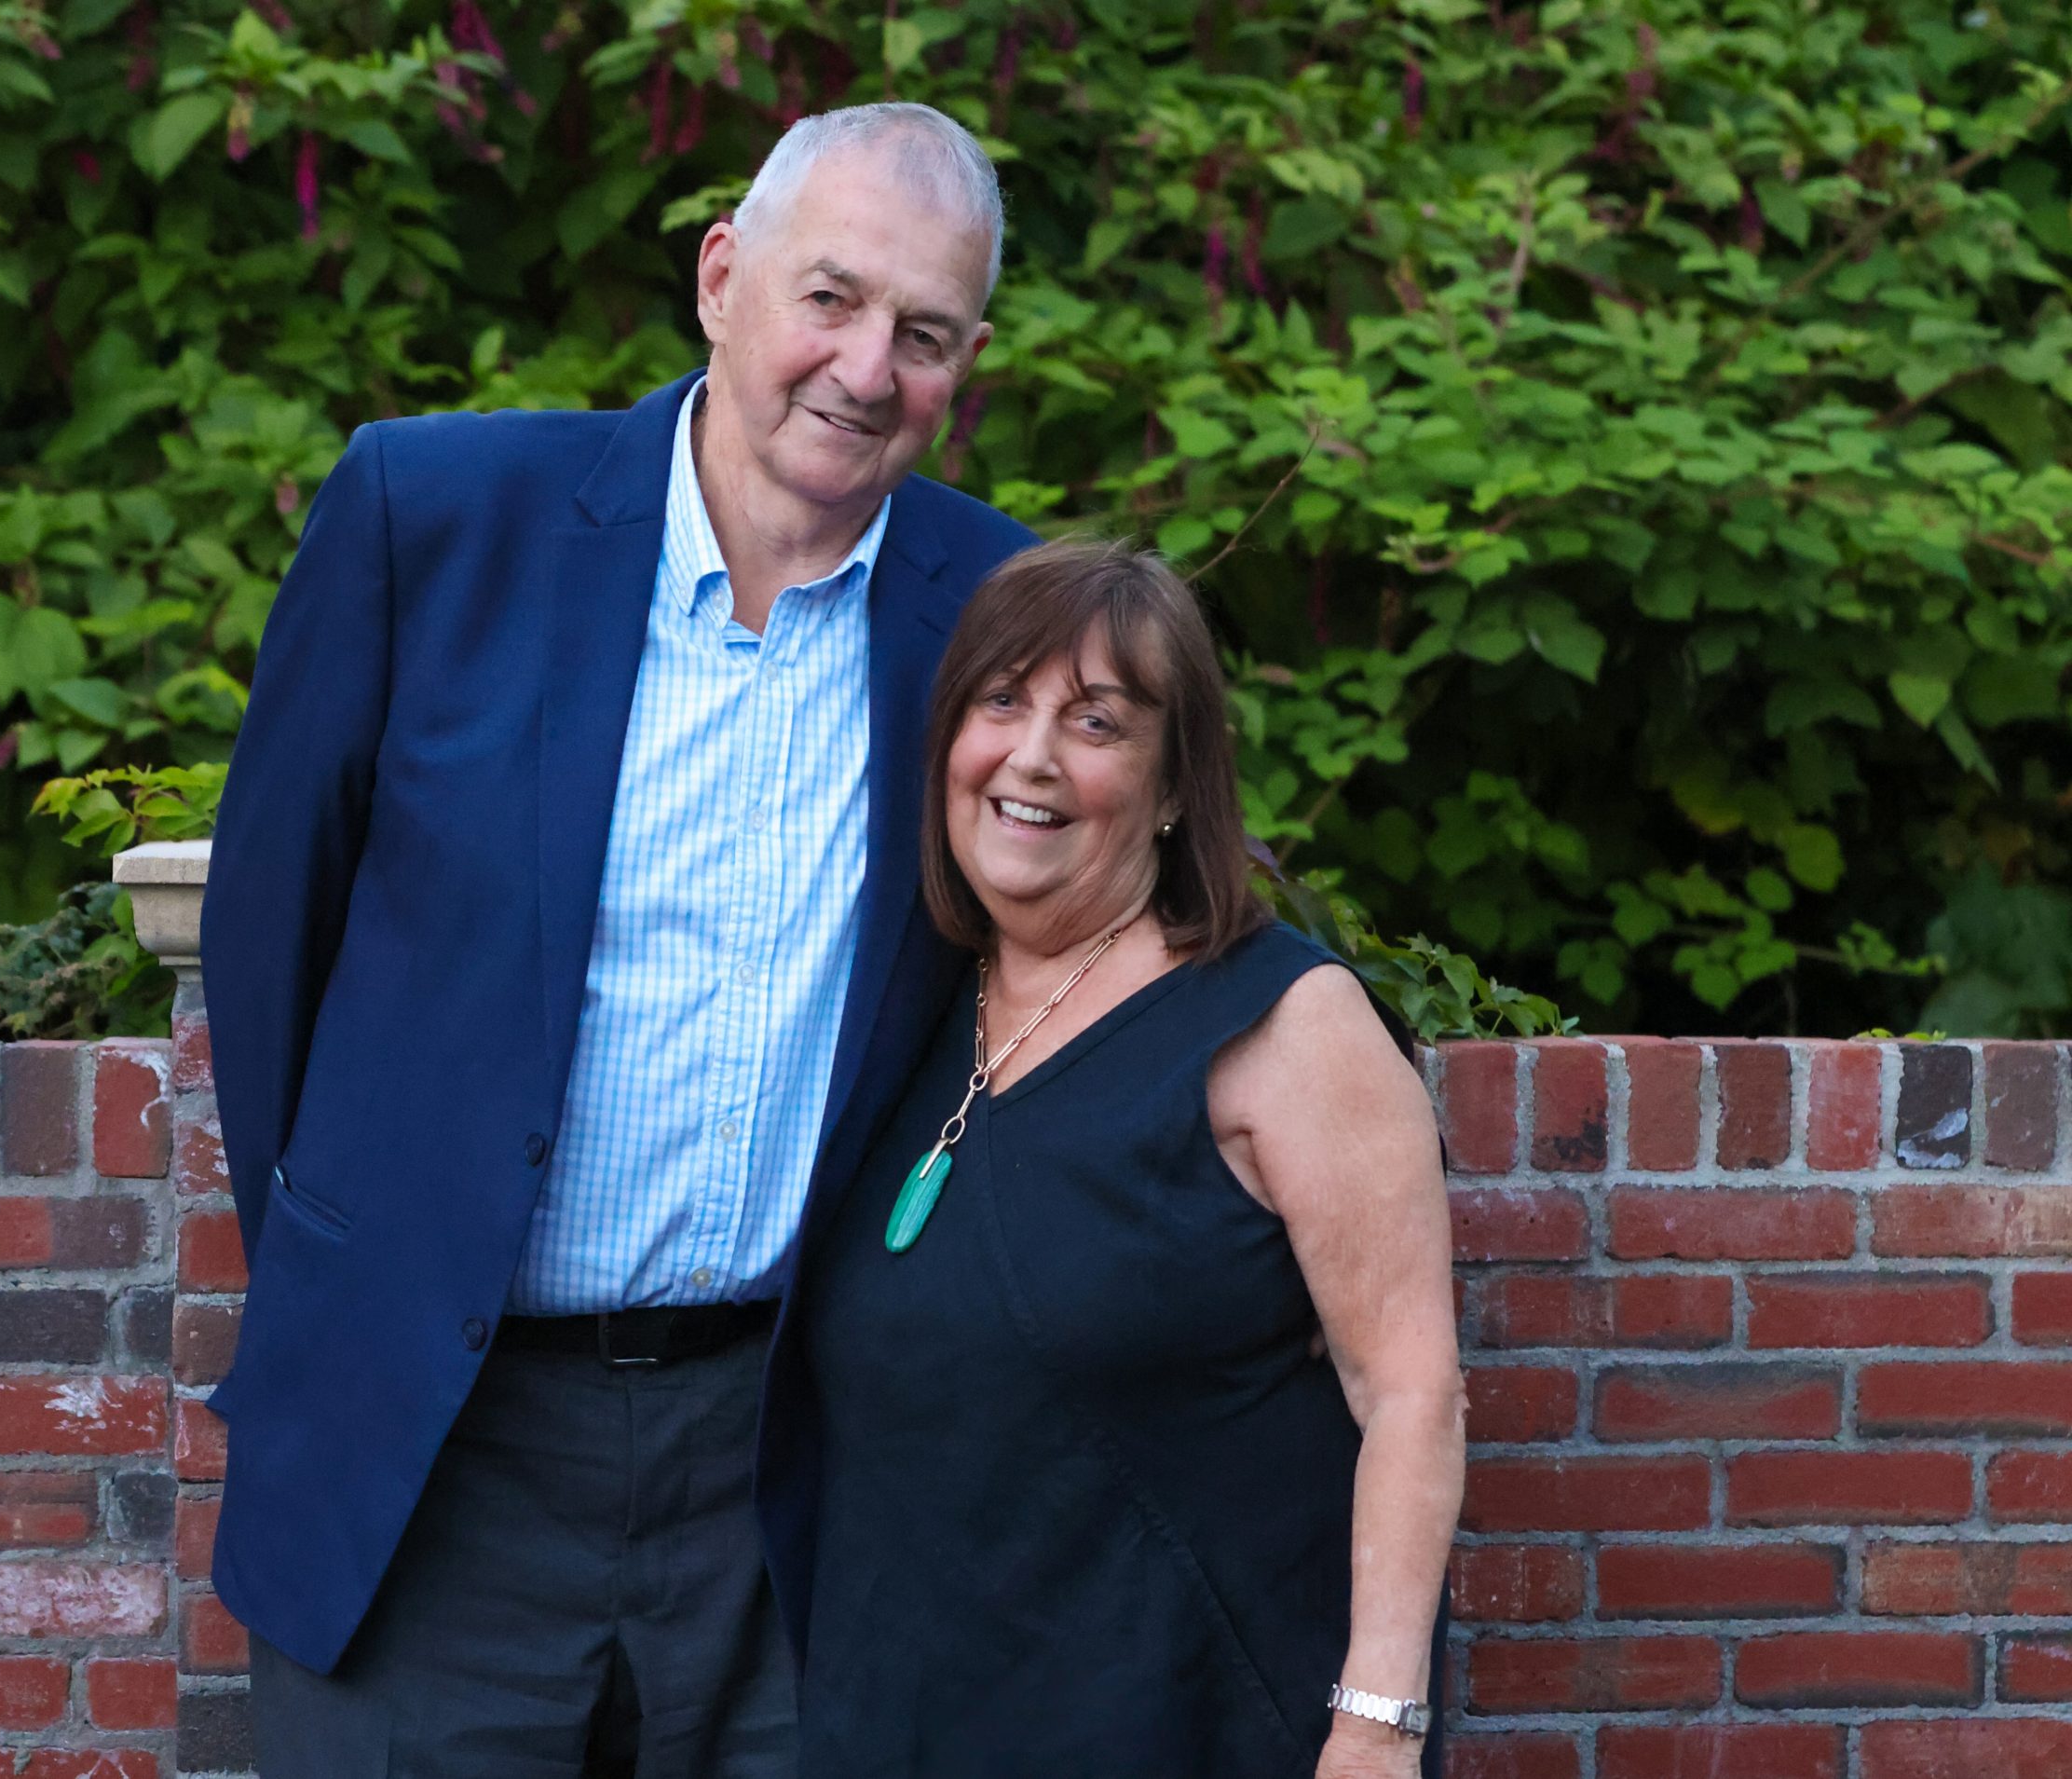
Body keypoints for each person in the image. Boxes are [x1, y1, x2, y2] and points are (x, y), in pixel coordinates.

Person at [198, 103, 1029, 1777]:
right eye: (830, 298)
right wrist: (369, 1257)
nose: (866, 369)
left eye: (922, 334)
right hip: (433, 1451)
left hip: (791, 1465)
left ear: (965, 363)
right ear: (723, 278)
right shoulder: (425, 520)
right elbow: (267, 937)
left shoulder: (996, 616)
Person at [760, 539, 1465, 1779]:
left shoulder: (1283, 1028)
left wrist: (1377, 1724)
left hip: (1184, 1728)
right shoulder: (905, 1017)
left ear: (1175, 782)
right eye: (1001, 702)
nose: (1032, 756)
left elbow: (1409, 1393)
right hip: (895, 1729)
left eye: (1096, 722)